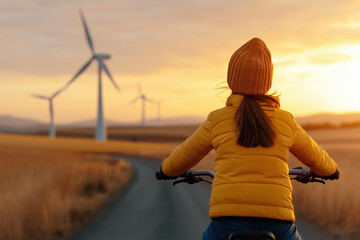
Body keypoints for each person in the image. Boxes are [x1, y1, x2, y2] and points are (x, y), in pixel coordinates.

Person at [157, 37, 340, 240]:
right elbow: (317, 158)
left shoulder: (217, 119)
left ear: (231, 79)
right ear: (266, 81)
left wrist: (167, 170)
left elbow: (184, 155)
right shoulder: (285, 120)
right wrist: (331, 171)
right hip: (278, 224)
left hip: (227, 222)